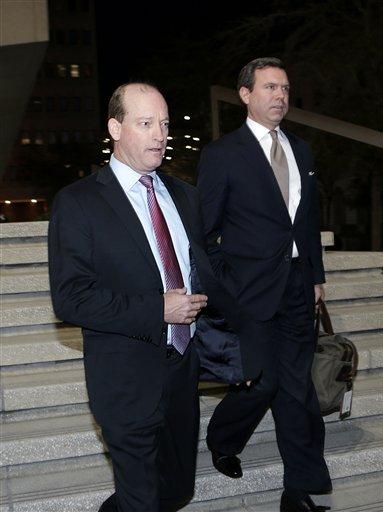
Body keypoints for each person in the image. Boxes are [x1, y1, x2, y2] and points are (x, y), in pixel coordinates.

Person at [48, 82, 239, 512]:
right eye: (146, 123)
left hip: (181, 371)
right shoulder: (78, 203)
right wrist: (159, 308)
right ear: (115, 128)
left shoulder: (185, 197)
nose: (160, 135)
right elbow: (71, 298)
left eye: (165, 124)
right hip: (125, 377)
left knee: (174, 491)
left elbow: (208, 272)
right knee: (140, 498)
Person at [197, 57, 332, 512]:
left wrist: (315, 276)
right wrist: (227, 285)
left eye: (286, 89)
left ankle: (302, 488)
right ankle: (222, 439)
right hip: (249, 291)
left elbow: (307, 220)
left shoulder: (302, 150)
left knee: (297, 388)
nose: (280, 96)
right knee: (261, 381)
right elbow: (205, 233)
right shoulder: (222, 154)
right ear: (245, 94)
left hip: (297, 286)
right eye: (270, 87)